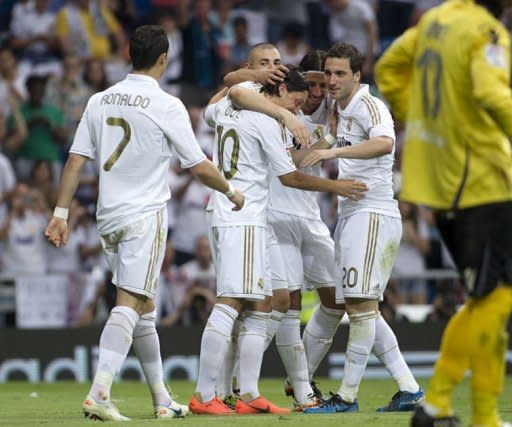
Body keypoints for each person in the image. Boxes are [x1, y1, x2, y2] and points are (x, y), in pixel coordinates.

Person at [44, 25, 244, 422]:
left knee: (144, 308)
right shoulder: (167, 104)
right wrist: (231, 191)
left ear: (128, 54)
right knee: (129, 302)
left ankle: (161, 398)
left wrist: (60, 213)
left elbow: (75, 160)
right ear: (165, 58)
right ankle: (99, 391)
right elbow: (199, 167)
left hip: (108, 216)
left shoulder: (100, 100)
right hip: (143, 216)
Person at [189, 67, 368, 416]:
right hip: (243, 215)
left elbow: (232, 87)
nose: (298, 110)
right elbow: (290, 176)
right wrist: (337, 187)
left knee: (263, 306)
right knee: (230, 302)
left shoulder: (230, 106)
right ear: (281, 89)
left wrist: (263, 87)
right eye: (296, 102)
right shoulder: (268, 123)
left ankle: (250, 393)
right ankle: (203, 394)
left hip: (245, 217)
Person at [374, 1, 512, 426]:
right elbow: (491, 93)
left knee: (483, 297)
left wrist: (419, 120)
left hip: (441, 178)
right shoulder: (486, 33)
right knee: (499, 296)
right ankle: (468, 413)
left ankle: (440, 409)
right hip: (481, 181)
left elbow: (389, 67)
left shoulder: (434, 22)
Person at [300, 42, 423, 414]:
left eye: (340, 74)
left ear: (357, 74)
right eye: (330, 73)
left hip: (373, 213)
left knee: (359, 304)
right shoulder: (340, 108)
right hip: (352, 213)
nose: (333, 81)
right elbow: (338, 141)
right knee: (361, 306)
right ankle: (408, 388)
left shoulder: (370, 105)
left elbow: (386, 143)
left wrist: (331, 152)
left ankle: (347, 397)